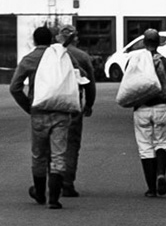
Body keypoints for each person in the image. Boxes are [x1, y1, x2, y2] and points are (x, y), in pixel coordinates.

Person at [8, 25, 87, 210]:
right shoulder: (63, 56)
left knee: (39, 155)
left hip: (39, 112)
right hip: (62, 112)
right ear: (51, 39)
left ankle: (40, 193)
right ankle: (54, 199)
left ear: (34, 41)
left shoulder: (30, 59)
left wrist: (29, 107)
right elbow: (81, 77)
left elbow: (14, 87)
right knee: (59, 154)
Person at [125, 29, 166, 197]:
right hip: (161, 108)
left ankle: (151, 188)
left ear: (144, 42)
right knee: (161, 143)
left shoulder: (134, 62)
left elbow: (129, 85)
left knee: (145, 147)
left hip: (141, 109)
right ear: (159, 43)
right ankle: (161, 174)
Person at [58, 26, 100, 198]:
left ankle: (52, 180)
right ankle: (67, 182)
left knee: (52, 144)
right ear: (76, 38)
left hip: (49, 105)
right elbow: (90, 83)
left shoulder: (51, 54)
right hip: (72, 105)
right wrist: (89, 104)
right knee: (71, 144)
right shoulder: (82, 56)